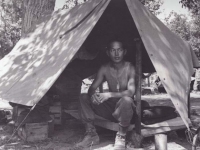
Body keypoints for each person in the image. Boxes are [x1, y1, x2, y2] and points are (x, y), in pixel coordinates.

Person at [75, 40, 136, 149]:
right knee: (83, 97)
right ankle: (91, 134)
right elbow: (92, 89)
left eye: (120, 50)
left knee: (127, 100)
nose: (116, 54)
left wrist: (108, 95)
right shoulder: (104, 68)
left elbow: (131, 92)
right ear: (108, 53)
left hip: (125, 110)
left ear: (124, 52)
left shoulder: (130, 67)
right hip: (109, 109)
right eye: (113, 50)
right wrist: (94, 96)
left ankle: (121, 136)